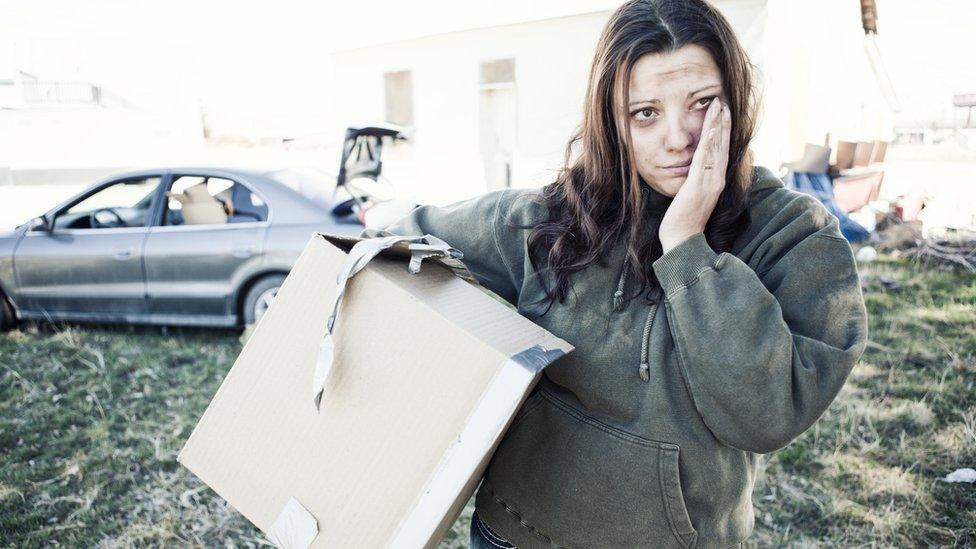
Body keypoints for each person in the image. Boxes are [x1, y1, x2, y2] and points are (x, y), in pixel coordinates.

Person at [362, 0, 869, 546]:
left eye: (701, 103)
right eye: (645, 113)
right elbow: (401, 237)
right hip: (518, 532)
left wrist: (687, 249)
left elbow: (765, 415)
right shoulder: (558, 216)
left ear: (736, 101)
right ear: (612, 123)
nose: (678, 137)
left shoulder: (792, 234)